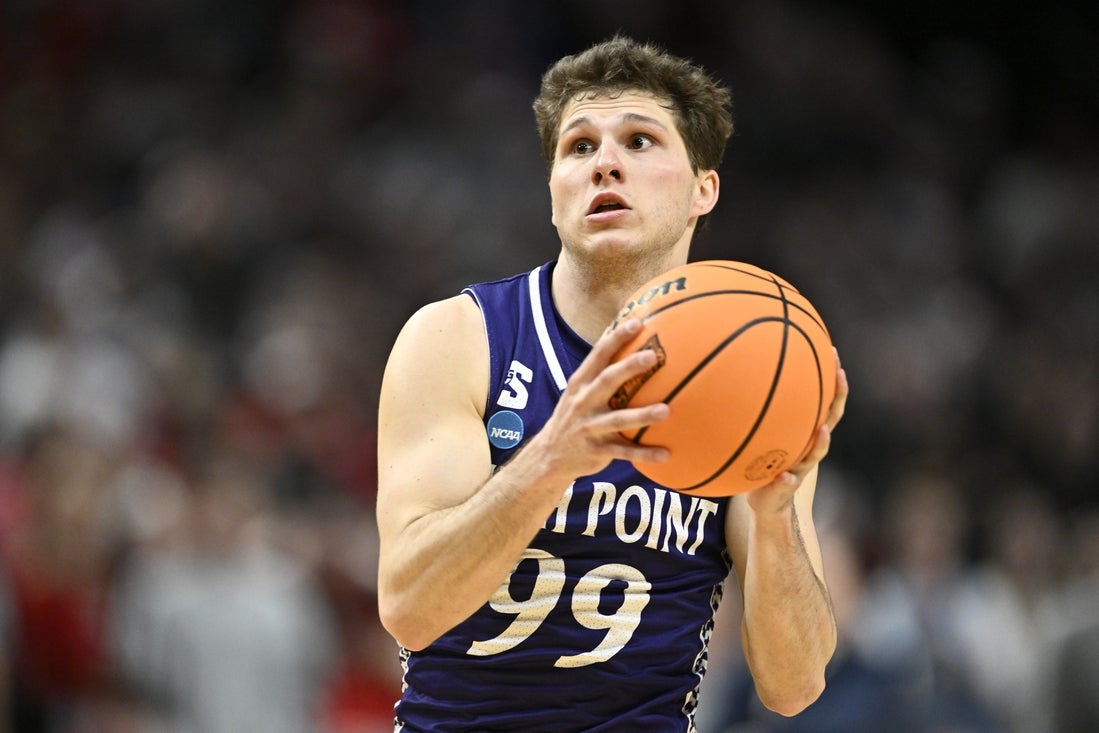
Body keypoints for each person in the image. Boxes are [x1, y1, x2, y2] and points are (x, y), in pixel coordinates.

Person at [375, 35, 848, 732]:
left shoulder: (757, 373)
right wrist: (549, 459)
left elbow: (794, 686)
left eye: (639, 140)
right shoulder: (459, 338)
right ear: (553, 194)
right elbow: (408, 609)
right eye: (579, 147)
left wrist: (775, 516)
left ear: (703, 189)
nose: (605, 163)